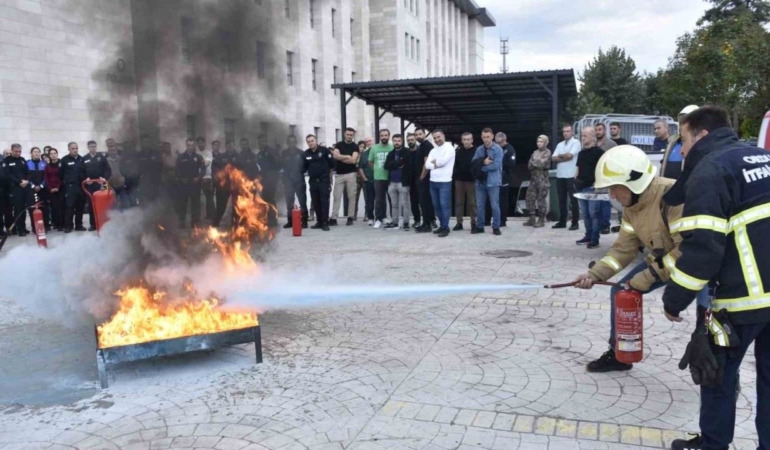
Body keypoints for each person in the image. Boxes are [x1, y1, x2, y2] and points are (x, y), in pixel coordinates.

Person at [658, 106, 770, 450]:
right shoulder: (761, 157)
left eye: (685, 140)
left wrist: (674, 299)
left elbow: (703, 250)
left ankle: (713, 444)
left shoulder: (711, 171)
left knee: (717, 373)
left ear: (702, 134)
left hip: (743, 300)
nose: (682, 150)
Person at [573, 145, 711, 373]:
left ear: (633, 182)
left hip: (701, 265)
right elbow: (623, 250)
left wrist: (647, 277)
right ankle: (620, 353)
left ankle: (720, 370)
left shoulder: (673, 197)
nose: (612, 195)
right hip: (665, 262)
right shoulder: (632, 207)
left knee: (707, 315)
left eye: (615, 188)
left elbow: (686, 251)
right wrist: (594, 274)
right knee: (619, 290)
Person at [575, 127, 604, 248]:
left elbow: (602, 169)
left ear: (593, 137)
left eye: (585, 136)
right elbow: (578, 167)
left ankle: (595, 238)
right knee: (585, 214)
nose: (583, 138)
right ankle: (588, 235)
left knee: (594, 213)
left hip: (592, 187)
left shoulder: (599, 152)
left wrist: (597, 184)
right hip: (580, 186)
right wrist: (574, 179)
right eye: (582, 136)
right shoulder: (581, 153)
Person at [472, 128, 504, 236]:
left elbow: (496, 165)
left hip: (493, 182)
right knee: (480, 205)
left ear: (492, 136)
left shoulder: (498, 149)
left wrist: (481, 167)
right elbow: (474, 163)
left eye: (488, 137)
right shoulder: (479, 149)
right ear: (481, 137)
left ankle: (496, 227)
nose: (486, 139)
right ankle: (480, 226)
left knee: (494, 205)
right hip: (480, 182)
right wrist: (483, 162)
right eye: (484, 137)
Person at [424, 129, 455, 237]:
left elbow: (443, 162)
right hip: (433, 182)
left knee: (444, 205)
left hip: (445, 182)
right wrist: (436, 163)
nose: (437, 139)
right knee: (436, 206)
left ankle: (445, 228)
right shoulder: (433, 150)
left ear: (443, 136)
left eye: (438, 137)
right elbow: (427, 165)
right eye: (435, 138)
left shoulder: (449, 148)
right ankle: (442, 225)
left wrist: (435, 162)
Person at [552, 124, 581, 230]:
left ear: (572, 132)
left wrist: (561, 156)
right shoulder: (560, 144)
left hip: (571, 175)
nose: (565, 133)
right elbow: (553, 158)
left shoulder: (576, 143)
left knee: (573, 200)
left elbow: (570, 156)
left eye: (568, 131)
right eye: (564, 131)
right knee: (561, 200)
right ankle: (562, 221)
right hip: (560, 175)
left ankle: (575, 222)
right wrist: (564, 157)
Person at [330, 128, 360, 226]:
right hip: (339, 175)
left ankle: (350, 217)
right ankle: (334, 218)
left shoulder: (355, 146)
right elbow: (335, 156)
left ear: (353, 135)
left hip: (351, 174)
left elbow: (353, 161)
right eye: (348, 134)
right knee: (336, 196)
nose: (349, 136)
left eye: (351, 134)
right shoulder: (339, 144)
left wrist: (341, 158)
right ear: (344, 134)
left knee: (351, 196)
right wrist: (347, 156)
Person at [661, 105, 700, 180]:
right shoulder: (672, 141)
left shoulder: (699, 143)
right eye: (682, 120)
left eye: (686, 120)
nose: (682, 124)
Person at [304, 135, 334, 231]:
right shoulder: (306, 154)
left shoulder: (324, 151)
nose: (310, 143)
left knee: (324, 201)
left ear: (316, 140)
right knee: (315, 201)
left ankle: (325, 222)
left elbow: (331, 165)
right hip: (313, 181)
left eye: (312, 141)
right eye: (308, 141)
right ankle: (319, 221)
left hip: (323, 180)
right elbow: (303, 167)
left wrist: (329, 179)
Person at [81, 140, 112, 231]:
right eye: (91, 146)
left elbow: (108, 170)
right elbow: (81, 172)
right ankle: (93, 225)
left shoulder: (101, 157)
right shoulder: (84, 158)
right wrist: (86, 179)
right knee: (91, 205)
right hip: (90, 186)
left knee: (103, 204)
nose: (93, 148)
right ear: (88, 147)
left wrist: (104, 179)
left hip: (100, 185)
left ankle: (104, 223)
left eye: (94, 146)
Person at [175, 139, 205, 229]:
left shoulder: (198, 157)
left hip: (194, 184)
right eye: (189, 145)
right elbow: (177, 170)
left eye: (192, 145)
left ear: (194, 146)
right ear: (186, 145)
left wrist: (198, 178)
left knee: (195, 204)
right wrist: (181, 179)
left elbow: (203, 169)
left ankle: (194, 223)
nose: (190, 147)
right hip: (183, 184)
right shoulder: (180, 157)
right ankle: (182, 222)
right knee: (182, 204)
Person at [1, 144, 30, 236]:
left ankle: (24, 227)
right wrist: (19, 181)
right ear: (12, 151)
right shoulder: (6, 161)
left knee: (24, 208)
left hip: (25, 187)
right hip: (14, 188)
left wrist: (27, 180)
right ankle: (19, 229)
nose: (18, 153)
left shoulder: (22, 160)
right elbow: (7, 175)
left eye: (19, 151)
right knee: (18, 209)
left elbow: (28, 172)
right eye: (16, 151)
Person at [384, 134, 411, 230]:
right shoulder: (391, 153)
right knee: (394, 204)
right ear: (392, 141)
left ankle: (406, 223)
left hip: (403, 182)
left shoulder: (406, 152)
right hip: (392, 182)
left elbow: (405, 163)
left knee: (405, 204)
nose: (397, 142)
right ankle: (394, 222)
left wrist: (394, 164)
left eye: (399, 140)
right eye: (395, 140)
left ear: (402, 141)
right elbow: (386, 166)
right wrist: (398, 163)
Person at [281, 135, 308, 229]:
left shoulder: (301, 153)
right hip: (288, 181)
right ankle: (290, 221)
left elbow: (305, 166)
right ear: (287, 143)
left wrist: (299, 173)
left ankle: (304, 221)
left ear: (296, 143)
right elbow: (282, 166)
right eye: (290, 142)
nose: (292, 144)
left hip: (299, 180)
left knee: (302, 202)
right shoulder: (284, 153)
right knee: (289, 202)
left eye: (293, 142)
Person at [524, 135, 552, 228]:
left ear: (545, 142)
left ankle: (541, 219)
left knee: (541, 199)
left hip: (542, 179)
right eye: (538, 141)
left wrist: (535, 163)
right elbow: (529, 165)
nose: (539, 143)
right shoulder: (534, 152)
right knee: (530, 197)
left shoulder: (548, 152)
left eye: (541, 141)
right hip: (533, 179)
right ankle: (532, 217)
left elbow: (542, 164)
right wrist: (536, 162)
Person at [212, 139, 239, 228]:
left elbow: (244, 169)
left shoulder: (238, 156)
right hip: (225, 185)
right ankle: (216, 222)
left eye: (231, 145)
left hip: (236, 184)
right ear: (226, 147)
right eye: (227, 146)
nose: (229, 148)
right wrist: (217, 178)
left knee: (236, 205)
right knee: (221, 204)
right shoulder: (221, 157)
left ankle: (235, 223)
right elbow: (215, 167)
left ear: (234, 146)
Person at [452, 132, 477, 231]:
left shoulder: (476, 151)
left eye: (468, 139)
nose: (466, 141)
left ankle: (474, 223)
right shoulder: (458, 151)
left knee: (472, 203)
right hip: (459, 180)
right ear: (462, 140)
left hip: (471, 181)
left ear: (472, 140)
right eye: (464, 139)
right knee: (459, 202)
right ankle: (459, 223)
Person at [369, 129, 392, 229]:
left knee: (392, 199)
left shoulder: (392, 147)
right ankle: (378, 219)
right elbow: (370, 161)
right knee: (379, 199)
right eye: (382, 135)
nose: (384, 137)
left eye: (386, 135)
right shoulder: (374, 148)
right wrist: (376, 170)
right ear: (379, 136)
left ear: (389, 136)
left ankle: (392, 218)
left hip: (391, 177)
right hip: (378, 177)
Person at [595, 123, 616, 234]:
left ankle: (605, 225)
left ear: (604, 131)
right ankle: (598, 225)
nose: (598, 132)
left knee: (605, 201)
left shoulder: (611, 144)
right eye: (596, 130)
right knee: (596, 201)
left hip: (607, 174)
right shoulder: (593, 144)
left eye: (600, 129)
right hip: (595, 175)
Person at [60, 142, 85, 233]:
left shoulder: (82, 159)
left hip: (81, 186)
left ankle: (79, 225)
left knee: (80, 207)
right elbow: (60, 174)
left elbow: (85, 172)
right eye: (73, 148)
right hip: (70, 187)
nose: (75, 150)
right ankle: (68, 226)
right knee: (69, 207)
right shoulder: (64, 160)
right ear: (69, 149)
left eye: (76, 148)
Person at [415, 128, 437, 233]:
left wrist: (422, 177)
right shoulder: (422, 146)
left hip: (425, 179)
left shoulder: (427, 146)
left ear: (424, 134)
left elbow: (427, 163)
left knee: (425, 202)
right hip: (424, 178)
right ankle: (429, 221)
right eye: (416, 135)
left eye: (420, 134)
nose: (418, 136)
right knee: (425, 202)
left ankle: (426, 224)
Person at [495, 132, 516, 227]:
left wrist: (499, 164)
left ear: (504, 140)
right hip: (495, 177)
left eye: (499, 142)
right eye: (496, 142)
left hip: (505, 177)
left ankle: (503, 220)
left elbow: (512, 164)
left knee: (503, 199)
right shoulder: (495, 148)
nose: (498, 144)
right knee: (495, 199)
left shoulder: (509, 149)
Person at [26, 147, 48, 231]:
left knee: (43, 208)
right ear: (31, 153)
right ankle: (35, 228)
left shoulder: (44, 164)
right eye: (34, 152)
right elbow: (26, 176)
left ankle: (44, 226)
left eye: (38, 152)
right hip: (31, 190)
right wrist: (32, 186)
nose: (36, 153)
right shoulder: (27, 163)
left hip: (42, 190)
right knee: (32, 208)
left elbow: (46, 177)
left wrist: (41, 186)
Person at [136, 134, 162, 206]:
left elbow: (160, 167)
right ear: (142, 143)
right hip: (143, 183)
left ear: (150, 142)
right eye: (144, 142)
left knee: (155, 203)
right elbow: (136, 168)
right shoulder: (138, 155)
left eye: (147, 142)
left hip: (154, 183)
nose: (146, 143)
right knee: (144, 203)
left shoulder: (156, 153)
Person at [196, 136, 215, 222]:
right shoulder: (195, 153)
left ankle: (212, 216)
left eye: (202, 142)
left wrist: (197, 163)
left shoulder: (208, 153)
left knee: (209, 198)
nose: (200, 144)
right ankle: (197, 217)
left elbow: (206, 164)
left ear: (204, 143)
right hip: (197, 178)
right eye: (199, 142)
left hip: (207, 177)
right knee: (196, 198)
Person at [44, 148, 64, 231]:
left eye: (55, 153)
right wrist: (50, 188)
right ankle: (57, 224)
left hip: (61, 188)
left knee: (63, 207)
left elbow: (63, 177)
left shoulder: (62, 164)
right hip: (51, 190)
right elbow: (46, 178)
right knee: (54, 208)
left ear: (57, 154)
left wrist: (58, 187)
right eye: (51, 154)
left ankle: (64, 224)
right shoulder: (47, 166)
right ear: (49, 155)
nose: (53, 155)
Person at [357, 140, 375, 225]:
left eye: (370, 141)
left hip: (379, 180)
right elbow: (360, 167)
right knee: (369, 200)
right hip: (368, 180)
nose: (369, 142)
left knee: (380, 200)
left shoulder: (377, 151)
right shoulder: (364, 154)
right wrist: (365, 179)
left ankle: (381, 217)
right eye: (367, 141)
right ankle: (370, 217)